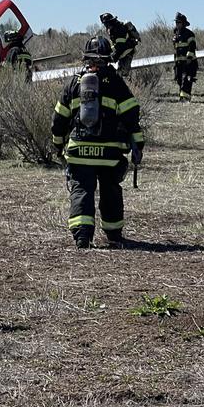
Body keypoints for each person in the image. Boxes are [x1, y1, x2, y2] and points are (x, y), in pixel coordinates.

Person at [51, 36, 145, 249]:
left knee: (81, 190)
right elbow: (132, 115)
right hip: (109, 154)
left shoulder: (73, 83)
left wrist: (58, 144)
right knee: (110, 189)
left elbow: (59, 119)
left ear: (86, 57)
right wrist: (137, 144)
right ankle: (113, 234)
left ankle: (82, 235)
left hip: (79, 152)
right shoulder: (116, 83)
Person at [172, 13, 197, 102]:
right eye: (176, 22)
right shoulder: (176, 35)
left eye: (179, 22)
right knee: (179, 80)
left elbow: (192, 47)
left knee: (186, 80)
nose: (177, 24)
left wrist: (189, 58)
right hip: (179, 63)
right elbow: (176, 50)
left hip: (188, 62)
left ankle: (185, 98)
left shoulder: (189, 34)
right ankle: (183, 96)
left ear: (183, 23)